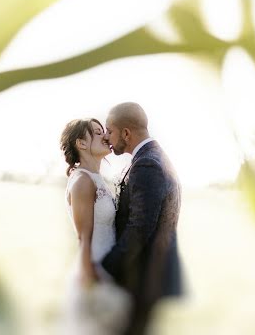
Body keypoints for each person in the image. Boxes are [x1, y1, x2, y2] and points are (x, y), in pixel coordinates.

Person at [101, 102, 183, 335]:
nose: (107, 137)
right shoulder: (152, 157)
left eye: (110, 130)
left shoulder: (147, 164)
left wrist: (106, 267)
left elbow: (140, 227)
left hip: (143, 278)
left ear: (126, 133)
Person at [60, 117, 130, 335]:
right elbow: (84, 237)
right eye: (98, 132)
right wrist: (90, 280)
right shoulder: (82, 181)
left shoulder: (97, 178)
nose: (105, 136)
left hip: (107, 265)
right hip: (93, 268)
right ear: (81, 143)